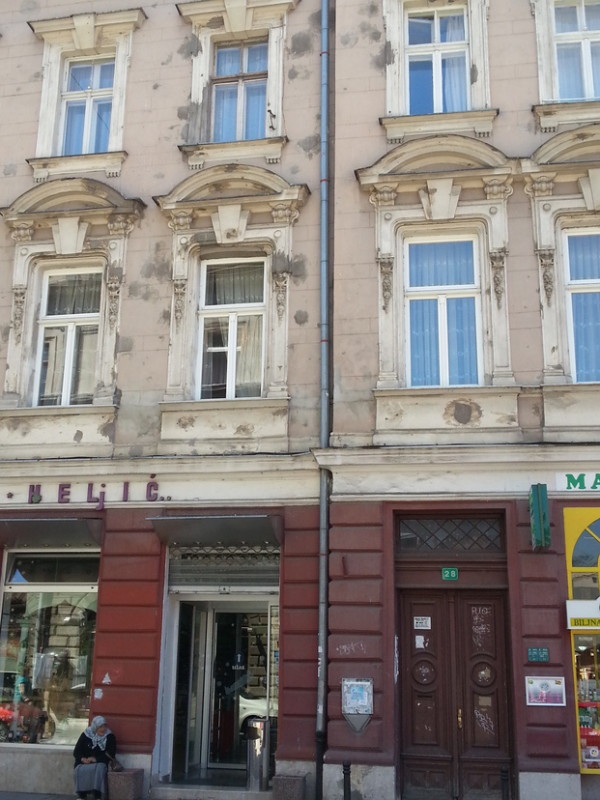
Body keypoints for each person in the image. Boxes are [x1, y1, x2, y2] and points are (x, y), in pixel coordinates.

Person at [73, 716, 117, 800]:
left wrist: (96, 759)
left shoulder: (109, 736)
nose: (103, 729)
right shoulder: (86, 734)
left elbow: (111, 753)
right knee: (79, 768)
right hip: (85, 761)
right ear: (95, 727)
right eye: (100, 727)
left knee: (100, 768)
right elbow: (76, 751)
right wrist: (82, 759)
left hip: (100, 761)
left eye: (105, 726)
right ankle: (81, 794)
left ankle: (97, 794)